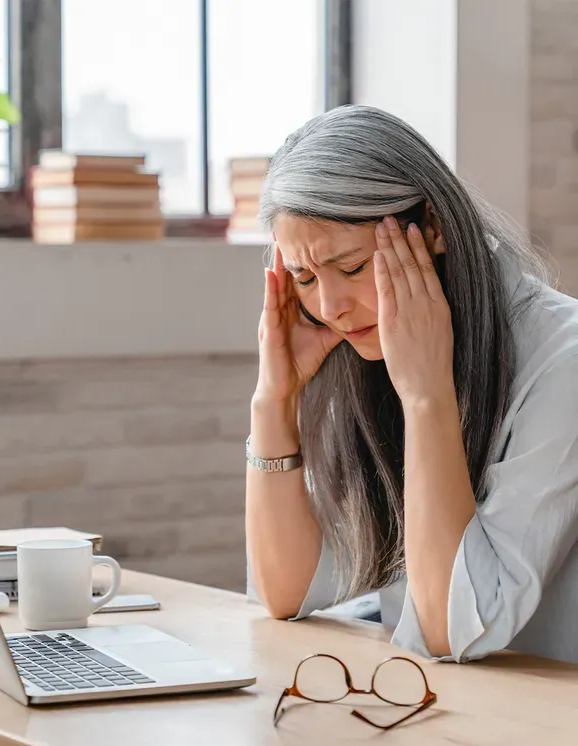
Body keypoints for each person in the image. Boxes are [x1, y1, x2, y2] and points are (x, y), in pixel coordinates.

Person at [246, 104, 578, 665]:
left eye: (351, 268)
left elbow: (454, 630)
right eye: (305, 278)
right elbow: (286, 592)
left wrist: (426, 398)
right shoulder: (358, 351)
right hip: (430, 710)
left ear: (432, 227)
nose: (330, 308)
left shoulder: (562, 363)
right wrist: (273, 402)